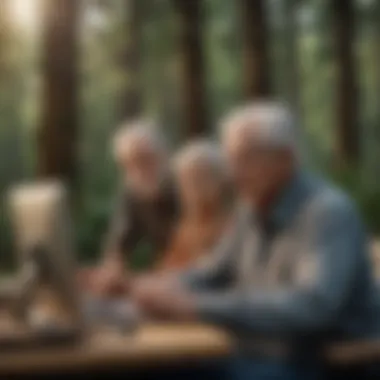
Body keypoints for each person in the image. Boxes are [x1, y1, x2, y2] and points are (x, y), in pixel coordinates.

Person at [131, 102, 380, 379]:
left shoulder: (328, 213)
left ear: (285, 159)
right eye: (231, 159)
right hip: (255, 352)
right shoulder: (250, 209)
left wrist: (196, 306)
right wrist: (153, 287)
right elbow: (212, 272)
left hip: (319, 363)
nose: (232, 172)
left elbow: (313, 306)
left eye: (246, 158)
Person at [82, 120, 180, 296]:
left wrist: (144, 282)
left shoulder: (188, 186)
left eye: (145, 159)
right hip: (165, 283)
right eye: (129, 164)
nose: (138, 170)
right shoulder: (132, 195)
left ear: (165, 155)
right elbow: (118, 246)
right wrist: (110, 273)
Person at [158, 140, 232, 271]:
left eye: (201, 178)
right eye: (186, 182)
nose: (194, 188)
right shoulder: (186, 227)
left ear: (221, 180)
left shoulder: (234, 222)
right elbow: (166, 270)